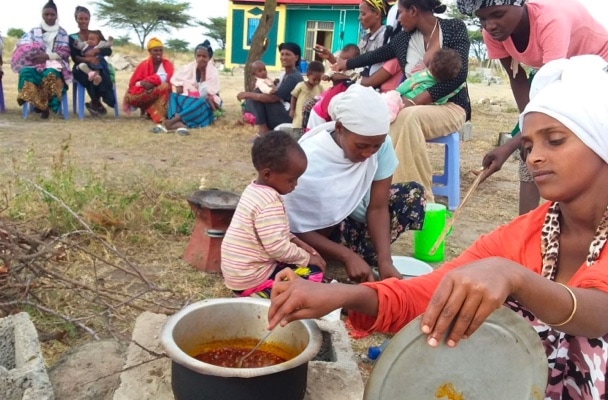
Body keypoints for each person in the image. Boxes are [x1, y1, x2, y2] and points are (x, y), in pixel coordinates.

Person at [269, 55, 608, 400]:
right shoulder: (523, 235)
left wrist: (514, 277)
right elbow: (431, 293)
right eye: (528, 145)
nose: (534, 157)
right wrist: (342, 295)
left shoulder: (512, 261)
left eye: (555, 140)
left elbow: (599, 313)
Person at [457, 0, 608, 216]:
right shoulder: (493, 33)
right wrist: (524, 131)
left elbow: (551, 94)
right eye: (483, 19)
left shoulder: (551, 19)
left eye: (498, 14)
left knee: (577, 143)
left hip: (599, 69)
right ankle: (524, 225)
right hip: (556, 74)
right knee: (530, 146)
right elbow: (517, 78)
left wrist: (508, 147)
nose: (490, 25)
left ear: (520, 4)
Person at [283, 84, 426, 283]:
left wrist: (385, 261)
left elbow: (378, 207)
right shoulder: (310, 158)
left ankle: (364, 256)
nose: (368, 153)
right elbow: (294, 223)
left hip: (349, 220)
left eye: (375, 145)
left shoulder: (381, 147)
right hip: (309, 234)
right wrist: (345, 255)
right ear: (340, 128)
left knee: (412, 194)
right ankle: (341, 254)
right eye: (361, 146)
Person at [334, 0, 470, 203]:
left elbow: (458, 76)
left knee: (407, 116)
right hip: (412, 108)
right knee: (383, 117)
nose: (398, 19)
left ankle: (417, 199)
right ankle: (386, 190)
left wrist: (414, 101)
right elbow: (377, 54)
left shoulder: (454, 29)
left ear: (413, 11)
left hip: (451, 106)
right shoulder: (404, 39)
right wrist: (346, 64)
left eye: (400, 13)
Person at [221, 131, 327, 298]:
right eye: (291, 180)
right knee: (314, 272)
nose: (296, 185)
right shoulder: (270, 202)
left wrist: (297, 241)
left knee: (294, 262)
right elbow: (277, 248)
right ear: (268, 174)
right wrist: (306, 258)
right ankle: (264, 294)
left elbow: (274, 233)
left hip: (238, 274)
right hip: (252, 279)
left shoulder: (254, 190)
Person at [10, 0, 72, 119]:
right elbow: (22, 45)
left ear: (56, 15)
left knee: (50, 74)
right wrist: (32, 53)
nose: (49, 17)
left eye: (52, 14)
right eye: (46, 14)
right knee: (26, 72)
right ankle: (40, 104)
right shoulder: (34, 31)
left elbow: (65, 52)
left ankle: (44, 106)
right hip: (35, 64)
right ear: (42, 15)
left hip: (55, 65)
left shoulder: (62, 32)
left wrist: (47, 56)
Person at [237, 43, 303, 136]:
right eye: (282, 54)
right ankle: (263, 129)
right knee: (257, 92)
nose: (283, 57)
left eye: (287, 54)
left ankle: (263, 131)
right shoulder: (285, 75)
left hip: (289, 116)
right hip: (282, 110)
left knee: (255, 94)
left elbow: (273, 98)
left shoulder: (294, 77)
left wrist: (248, 94)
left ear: (296, 58)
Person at [382, 48, 463, 119]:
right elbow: (458, 87)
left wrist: (395, 93)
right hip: (430, 108)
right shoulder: (451, 86)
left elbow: (405, 88)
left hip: (405, 100)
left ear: (431, 64)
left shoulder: (423, 78)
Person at [160, 41, 221, 135]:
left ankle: (172, 121)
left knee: (202, 101)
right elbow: (176, 80)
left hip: (204, 104)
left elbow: (204, 95)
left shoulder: (213, 72)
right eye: (198, 56)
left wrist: (203, 72)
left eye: (204, 56)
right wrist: (180, 85)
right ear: (195, 56)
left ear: (209, 58)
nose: (201, 59)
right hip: (189, 99)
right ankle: (180, 124)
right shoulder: (189, 67)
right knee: (172, 96)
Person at [69, 5, 115, 116]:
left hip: (98, 63)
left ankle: (98, 101)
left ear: (89, 19)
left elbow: (108, 51)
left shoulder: (97, 34)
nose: (83, 21)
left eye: (86, 18)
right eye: (80, 18)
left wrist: (97, 50)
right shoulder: (72, 38)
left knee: (100, 73)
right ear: (76, 19)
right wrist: (88, 59)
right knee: (88, 75)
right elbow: (75, 57)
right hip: (82, 67)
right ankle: (96, 102)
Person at [305, 45, 361, 131]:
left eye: (346, 60)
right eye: (341, 59)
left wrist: (340, 76)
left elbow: (352, 77)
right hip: (327, 102)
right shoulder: (338, 66)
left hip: (333, 105)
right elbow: (332, 71)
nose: (342, 62)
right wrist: (327, 75)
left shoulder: (357, 70)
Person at [123, 37, 174, 125]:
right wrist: (143, 84)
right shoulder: (143, 65)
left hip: (160, 93)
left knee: (164, 86)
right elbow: (133, 83)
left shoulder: (167, 64)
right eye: (155, 50)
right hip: (143, 91)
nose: (158, 53)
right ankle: (145, 110)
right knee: (139, 92)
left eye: (160, 50)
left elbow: (167, 77)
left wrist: (150, 82)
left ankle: (156, 113)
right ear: (150, 52)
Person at [289, 61, 324, 134]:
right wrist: (292, 109)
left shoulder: (320, 88)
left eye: (319, 80)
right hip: (299, 122)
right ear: (308, 75)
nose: (316, 82)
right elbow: (294, 97)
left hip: (311, 122)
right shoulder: (301, 86)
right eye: (314, 79)